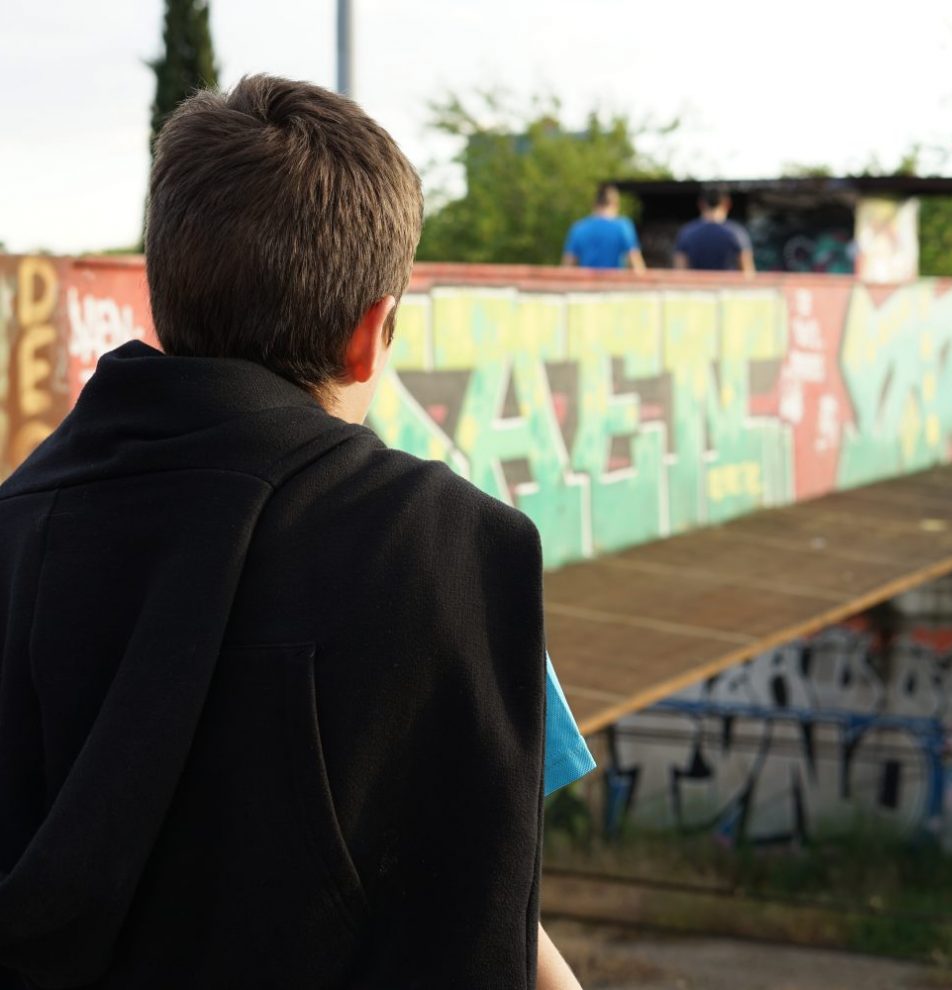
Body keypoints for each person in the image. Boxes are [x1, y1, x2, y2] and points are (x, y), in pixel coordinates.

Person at [0, 76, 591, 989]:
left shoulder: (16, 527)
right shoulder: (456, 553)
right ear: (371, 335)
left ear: (167, 294)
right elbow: (488, 922)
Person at [674, 183, 756, 273]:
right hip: (728, 286)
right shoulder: (738, 233)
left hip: (697, 286)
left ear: (701, 204)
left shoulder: (687, 233)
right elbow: (748, 273)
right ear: (727, 203)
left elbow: (680, 271)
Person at [562, 184, 646, 271]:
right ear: (615, 204)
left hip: (588, 283)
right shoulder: (622, 227)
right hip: (613, 282)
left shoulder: (579, 228)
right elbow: (636, 263)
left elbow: (567, 266)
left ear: (594, 204)